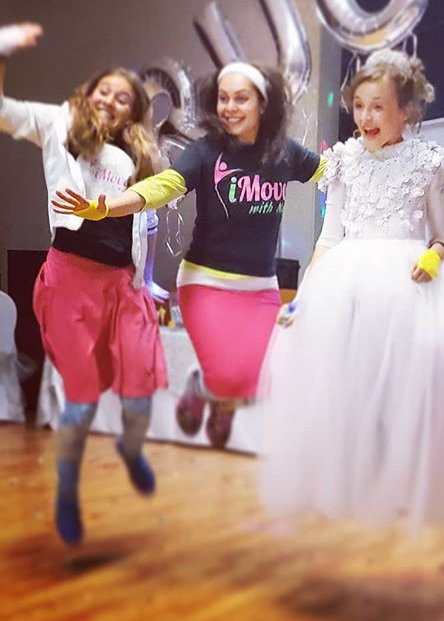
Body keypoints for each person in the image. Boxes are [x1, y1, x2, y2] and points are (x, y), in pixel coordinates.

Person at [259, 48, 444, 527]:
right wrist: (305, 297)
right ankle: (348, 482)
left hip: (406, 286)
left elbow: (441, 236)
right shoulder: (344, 161)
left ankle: (398, 484)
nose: (366, 117)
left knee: (401, 386)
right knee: (347, 384)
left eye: (378, 106)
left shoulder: (427, 162)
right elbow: (328, 237)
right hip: (348, 283)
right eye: (359, 106)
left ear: (406, 110)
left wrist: (433, 256)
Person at [53, 61, 326, 448]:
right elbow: (165, 185)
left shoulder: (284, 154)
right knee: (228, 377)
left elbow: (333, 173)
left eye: (241, 99)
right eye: (224, 98)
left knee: (258, 380)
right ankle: (206, 387)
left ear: (263, 105)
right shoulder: (206, 151)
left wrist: (378, 161)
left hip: (260, 287)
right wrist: (110, 206)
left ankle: (215, 396)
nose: (230, 107)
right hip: (205, 282)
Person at [0, 22, 167, 546]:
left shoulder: (141, 156)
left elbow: (145, 224)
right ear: (88, 94)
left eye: (122, 98)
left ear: (133, 112)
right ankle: (68, 491)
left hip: (123, 285)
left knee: (139, 393)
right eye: (103, 91)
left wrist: (147, 283)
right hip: (70, 279)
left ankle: (131, 448)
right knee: (81, 399)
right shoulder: (59, 124)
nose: (110, 101)